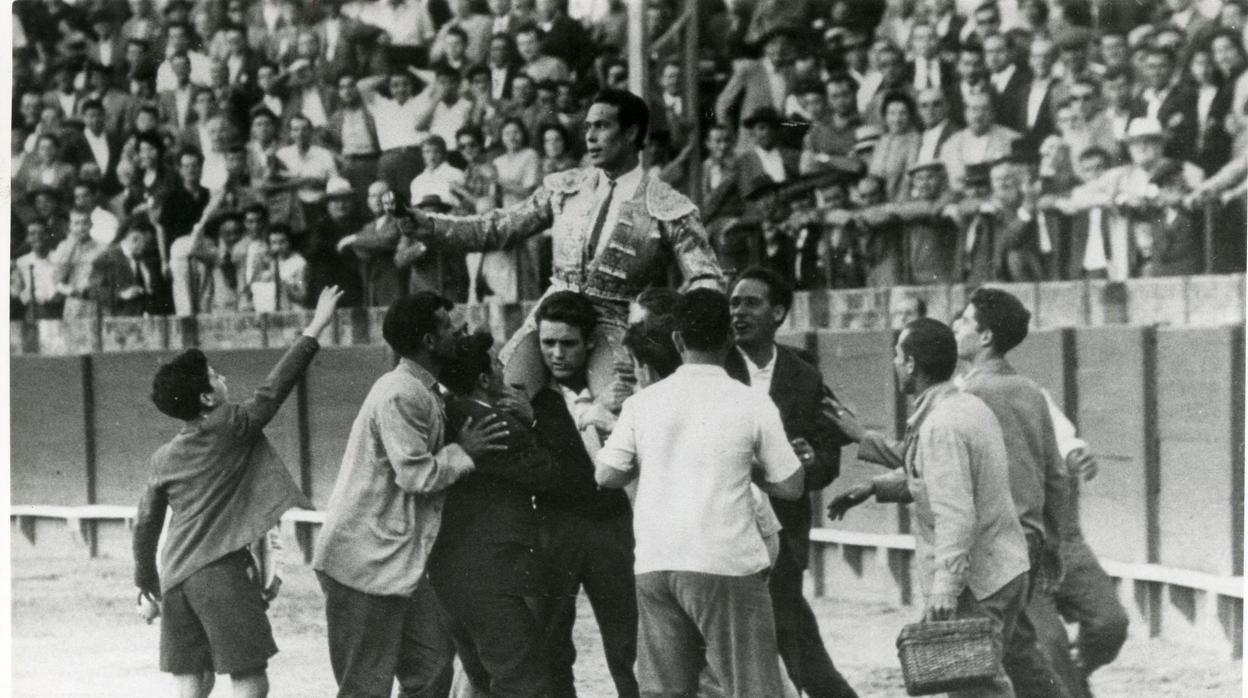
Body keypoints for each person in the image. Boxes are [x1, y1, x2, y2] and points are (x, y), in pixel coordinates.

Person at [408, 89, 723, 405]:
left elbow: (706, 280)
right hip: (551, 313)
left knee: (619, 408)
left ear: (631, 133)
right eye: (588, 127)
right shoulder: (565, 187)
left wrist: (660, 316)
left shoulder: (668, 205)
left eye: (602, 126)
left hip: (617, 321)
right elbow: (495, 228)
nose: (591, 136)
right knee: (500, 397)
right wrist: (430, 225)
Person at [131, 286, 342, 698]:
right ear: (208, 398)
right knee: (249, 679)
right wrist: (317, 324)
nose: (222, 377)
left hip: (175, 577)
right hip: (220, 573)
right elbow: (275, 388)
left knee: (191, 681)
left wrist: (146, 582)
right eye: (215, 376)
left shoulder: (163, 457)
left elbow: (144, 526)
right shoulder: (229, 425)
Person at [595, 288, 804, 697]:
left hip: (657, 562)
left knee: (665, 692)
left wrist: (653, 461)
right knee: (752, 688)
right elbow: (792, 486)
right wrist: (751, 469)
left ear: (677, 339)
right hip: (724, 562)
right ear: (729, 339)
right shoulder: (751, 401)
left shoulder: (643, 402)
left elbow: (606, 474)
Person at [311, 292, 510, 698]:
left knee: (433, 668)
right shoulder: (401, 392)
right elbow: (416, 475)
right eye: (449, 325)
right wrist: (464, 452)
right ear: (430, 341)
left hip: (394, 560)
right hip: (364, 563)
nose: (460, 330)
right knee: (366, 686)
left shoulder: (417, 390)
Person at [825, 317, 1032, 698]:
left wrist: (944, 590)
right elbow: (938, 479)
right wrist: (875, 486)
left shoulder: (940, 425)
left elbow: (955, 514)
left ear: (910, 365)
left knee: (976, 688)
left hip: (978, 579)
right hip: (1002, 567)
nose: (893, 364)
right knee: (982, 682)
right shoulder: (965, 405)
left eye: (896, 356)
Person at [725, 268, 858, 698]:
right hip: (725, 524)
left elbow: (828, 456)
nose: (739, 312)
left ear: (778, 312)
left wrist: (811, 462)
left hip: (782, 527)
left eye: (751, 303)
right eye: (734, 303)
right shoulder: (716, 366)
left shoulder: (804, 375)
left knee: (785, 625)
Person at [428, 332, 561, 697]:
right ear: (485, 380)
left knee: (482, 681)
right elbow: (549, 474)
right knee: (522, 682)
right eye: (498, 364)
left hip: (449, 576)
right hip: (495, 576)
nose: (506, 369)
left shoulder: (444, 416)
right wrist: (533, 423)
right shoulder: (495, 424)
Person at [527, 291, 640, 698]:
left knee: (628, 641)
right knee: (551, 640)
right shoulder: (532, 400)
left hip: (610, 524)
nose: (556, 354)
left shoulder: (626, 392)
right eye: (548, 343)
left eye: (568, 343)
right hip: (554, 524)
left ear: (589, 343)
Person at [89, 218, 165, 316]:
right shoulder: (106, 259)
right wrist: (121, 295)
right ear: (134, 238)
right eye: (147, 243)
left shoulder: (146, 259)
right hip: (117, 321)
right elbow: (93, 291)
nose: (148, 248)